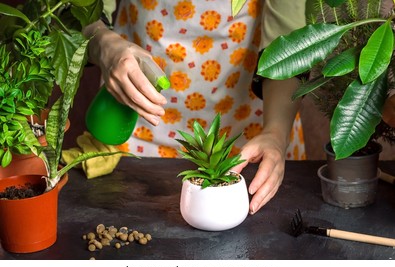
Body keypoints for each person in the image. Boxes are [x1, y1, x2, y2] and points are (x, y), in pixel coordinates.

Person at [83, 0, 306, 215]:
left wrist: (275, 133)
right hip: (134, 119)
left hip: (254, 127)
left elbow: (288, 44)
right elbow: (78, 13)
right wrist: (104, 45)